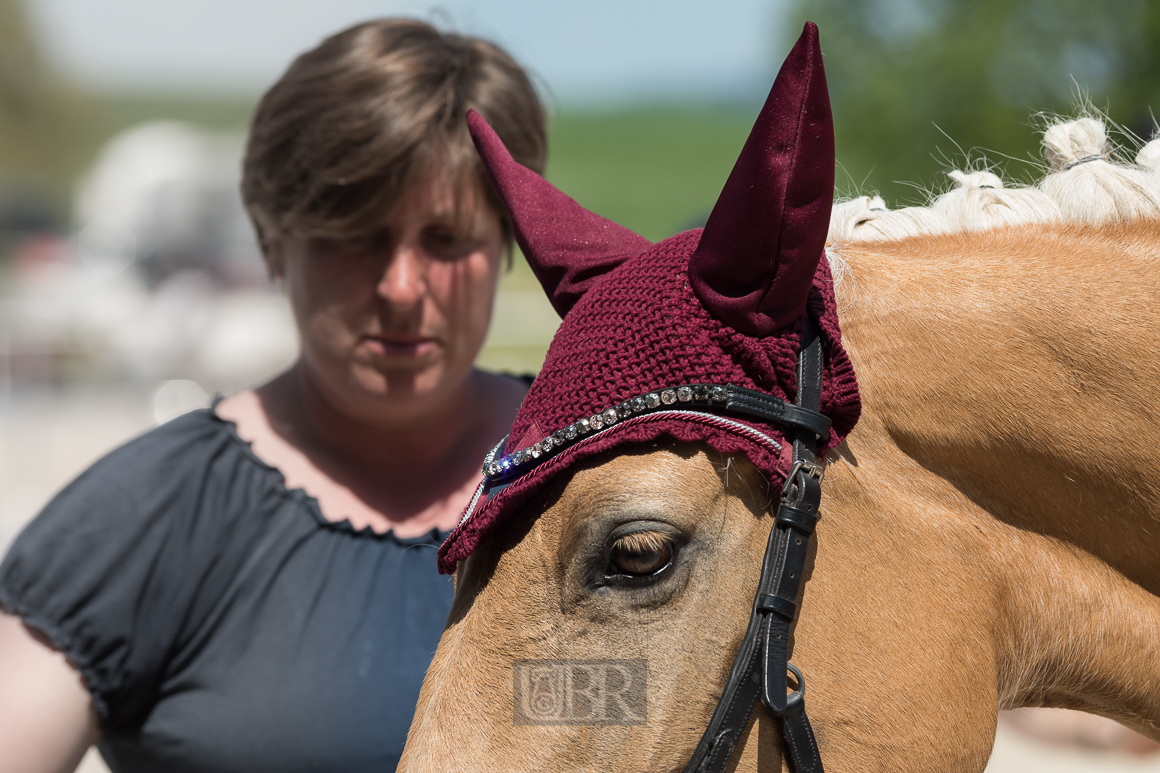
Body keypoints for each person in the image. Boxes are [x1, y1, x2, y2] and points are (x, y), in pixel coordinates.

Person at [0, 19, 546, 773]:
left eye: (447, 239)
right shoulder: (148, 518)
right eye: (354, 236)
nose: (401, 288)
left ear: (510, 242)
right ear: (271, 242)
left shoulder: (604, 481)